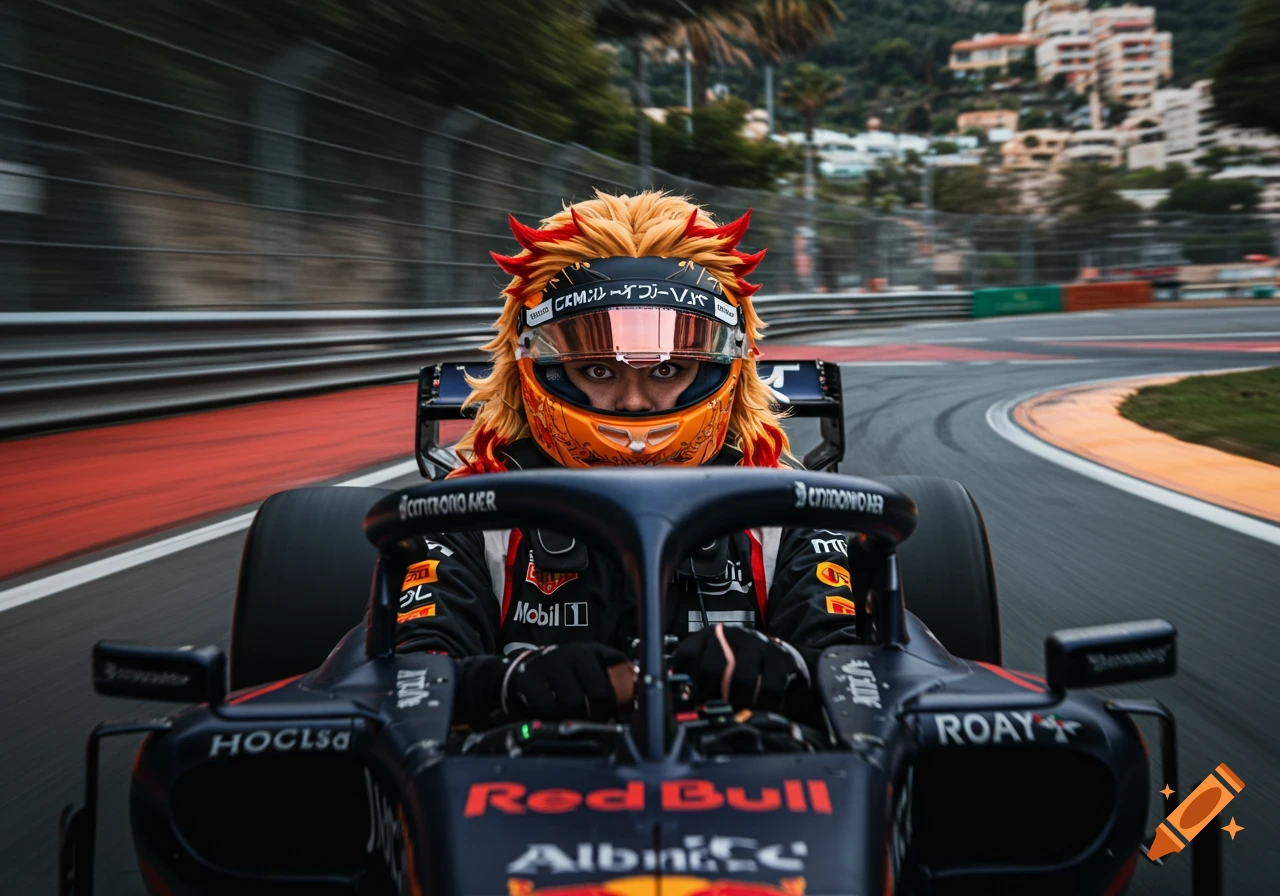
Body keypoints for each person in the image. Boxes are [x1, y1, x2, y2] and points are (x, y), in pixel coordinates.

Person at [397, 191, 866, 729]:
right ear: (537, 366)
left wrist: (792, 672)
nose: (634, 403)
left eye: (667, 371)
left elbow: (858, 670)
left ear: (724, 366)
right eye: (598, 371)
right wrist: (507, 685)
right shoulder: (470, 513)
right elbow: (409, 676)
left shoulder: (785, 510)